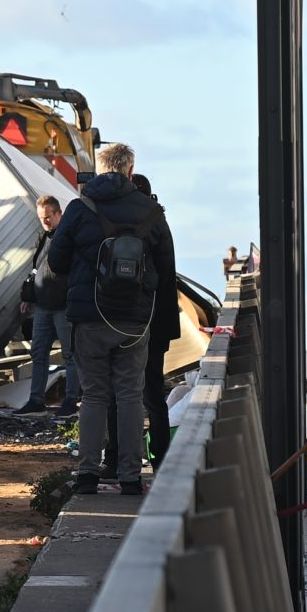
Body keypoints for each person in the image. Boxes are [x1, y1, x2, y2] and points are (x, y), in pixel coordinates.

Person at [48, 142, 173, 496]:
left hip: (90, 317)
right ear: (130, 171)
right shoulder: (151, 211)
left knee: (95, 396)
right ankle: (131, 477)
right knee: (131, 395)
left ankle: (88, 474)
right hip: (134, 320)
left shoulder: (79, 208)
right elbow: (165, 268)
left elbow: (56, 263)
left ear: (100, 169)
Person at [130, 172, 183, 470]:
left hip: (133, 321)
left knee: (125, 394)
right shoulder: (159, 221)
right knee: (154, 395)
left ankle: (126, 459)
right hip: (159, 322)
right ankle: (159, 457)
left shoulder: (138, 224)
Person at [14, 194, 70, 415]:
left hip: (62, 306)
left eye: (48, 217)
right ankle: (36, 400)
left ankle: (69, 401)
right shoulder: (45, 237)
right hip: (43, 306)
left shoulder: (67, 238)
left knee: (69, 354)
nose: (44, 221)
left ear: (59, 214)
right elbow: (38, 269)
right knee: (39, 353)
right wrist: (29, 297)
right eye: (41, 218)